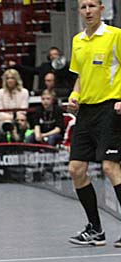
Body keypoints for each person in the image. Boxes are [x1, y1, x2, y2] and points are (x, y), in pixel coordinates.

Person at [66, 0, 121, 247]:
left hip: (111, 109)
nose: (87, 11)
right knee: (76, 169)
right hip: (85, 112)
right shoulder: (77, 40)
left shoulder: (115, 35)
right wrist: (74, 96)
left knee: (110, 167)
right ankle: (96, 230)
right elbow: (80, 76)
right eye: (83, 7)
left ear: (102, 9)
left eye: (92, 6)